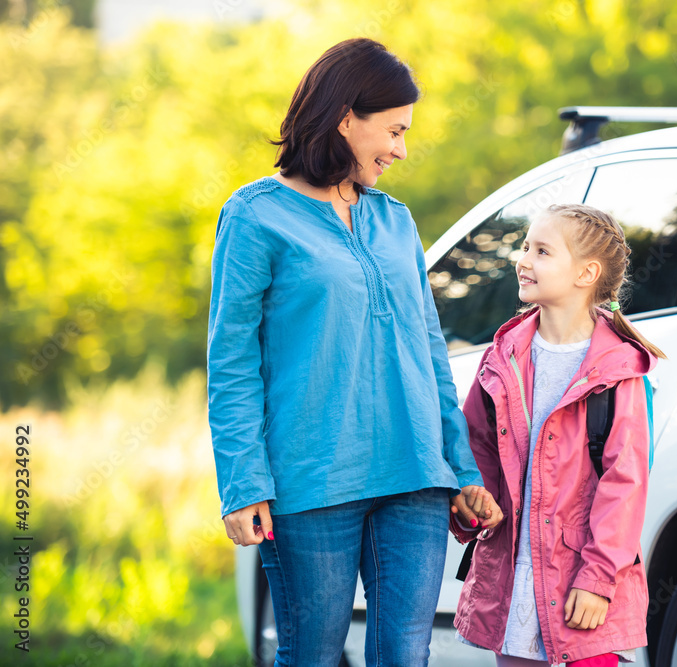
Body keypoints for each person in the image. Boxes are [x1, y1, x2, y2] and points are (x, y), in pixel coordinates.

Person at [206, 38, 500, 667]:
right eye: (393, 131)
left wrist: (462, 468)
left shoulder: (395, 220)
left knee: (405, 657)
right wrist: (242, 482)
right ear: (345, 118)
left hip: (414, 473)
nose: (400, 149)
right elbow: (232, 363)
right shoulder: (257, 216)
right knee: (311, 655)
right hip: (312, 479)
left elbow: (428, 353)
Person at [450, 203, 665, 666]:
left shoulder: (619, 369)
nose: (522, 259)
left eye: (542, 251)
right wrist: (471, 504)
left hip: (580, 581)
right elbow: (477, 451)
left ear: (586, 273)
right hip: (513, 578)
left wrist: (598, 580)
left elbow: (624, 484)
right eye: (525, 246)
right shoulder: (502, 356)